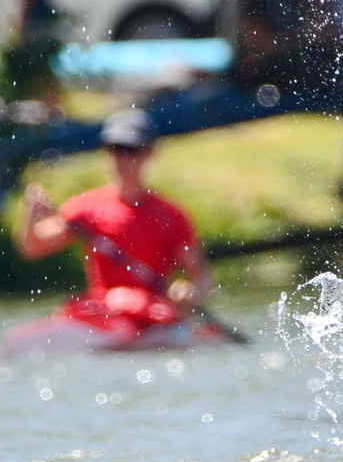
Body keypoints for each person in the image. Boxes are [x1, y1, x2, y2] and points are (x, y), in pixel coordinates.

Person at [14, 109, 212, 339]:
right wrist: (31, 213)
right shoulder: (86, 208)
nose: (121, 159)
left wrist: (189, 292)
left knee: (134, 306)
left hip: (152, 318)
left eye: (131, 150)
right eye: (115, 150)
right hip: (104, 314)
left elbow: (202, 281)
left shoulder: (172, 215)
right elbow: (31, 248)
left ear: (150, 153)